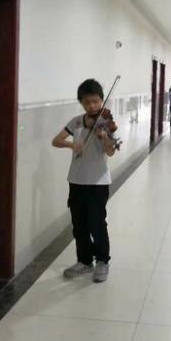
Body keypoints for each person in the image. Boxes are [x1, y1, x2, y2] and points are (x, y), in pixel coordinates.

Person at [51, 79, 118, 282]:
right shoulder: (77, 122)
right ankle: (84, 261)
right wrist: (73, 145)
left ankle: (103, 261)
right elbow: (56, 141)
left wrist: (105, 138)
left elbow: (111, 152)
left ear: (101, 100)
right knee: (78, 224)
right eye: (87, 102)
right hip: (76, 180)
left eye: (95, 101)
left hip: (98, 182)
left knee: (96, 222)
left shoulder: (105, 122)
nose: (92, 106)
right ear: (81, 103)